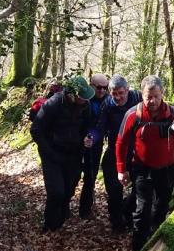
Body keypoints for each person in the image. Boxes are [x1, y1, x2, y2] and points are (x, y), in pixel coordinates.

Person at [115, 75, 174, 251]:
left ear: (162, 94)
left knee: (161, 209)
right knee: (142, 210)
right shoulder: (132, 114)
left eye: (156, 97)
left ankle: (154, 248)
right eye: (148, 97)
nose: (152, 101)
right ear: (141, 95)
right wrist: (121, 169)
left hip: (166, 170)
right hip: (142, 168)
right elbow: (121, 142)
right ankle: (137, 250)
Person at [30, 75, 95, 232]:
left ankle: (58, 222)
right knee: (56, 192)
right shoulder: (53, 104)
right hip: (52, 154)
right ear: (71, 95)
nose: (85, 100)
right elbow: (36, 130)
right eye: (81, 97)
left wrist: (88, 137)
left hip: (73, 155)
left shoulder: (85, 106)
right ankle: (49, 225)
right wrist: (49, 153)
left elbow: (89, 127)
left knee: (68, 191)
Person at [92, 75, 141, 232]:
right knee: (114, 191)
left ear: (127, 90)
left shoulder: (138, 98)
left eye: (121, 93)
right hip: (114, 151)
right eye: (114, 94)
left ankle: (127, 210)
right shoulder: (107, 104)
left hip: (136, 152)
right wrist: (91, 137)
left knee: (141, 187)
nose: (118, 97)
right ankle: (116, 222)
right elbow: (100, 127)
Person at [78, 73, 110, 219]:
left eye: (105, 87)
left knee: (91, 178)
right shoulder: (83, 100)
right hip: (77, 143)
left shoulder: (109, 101)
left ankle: (85, 209)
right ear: (92, 86)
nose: (102, 90)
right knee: (72, 175)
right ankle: (63, 205)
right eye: (99, 87)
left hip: (95, 145)